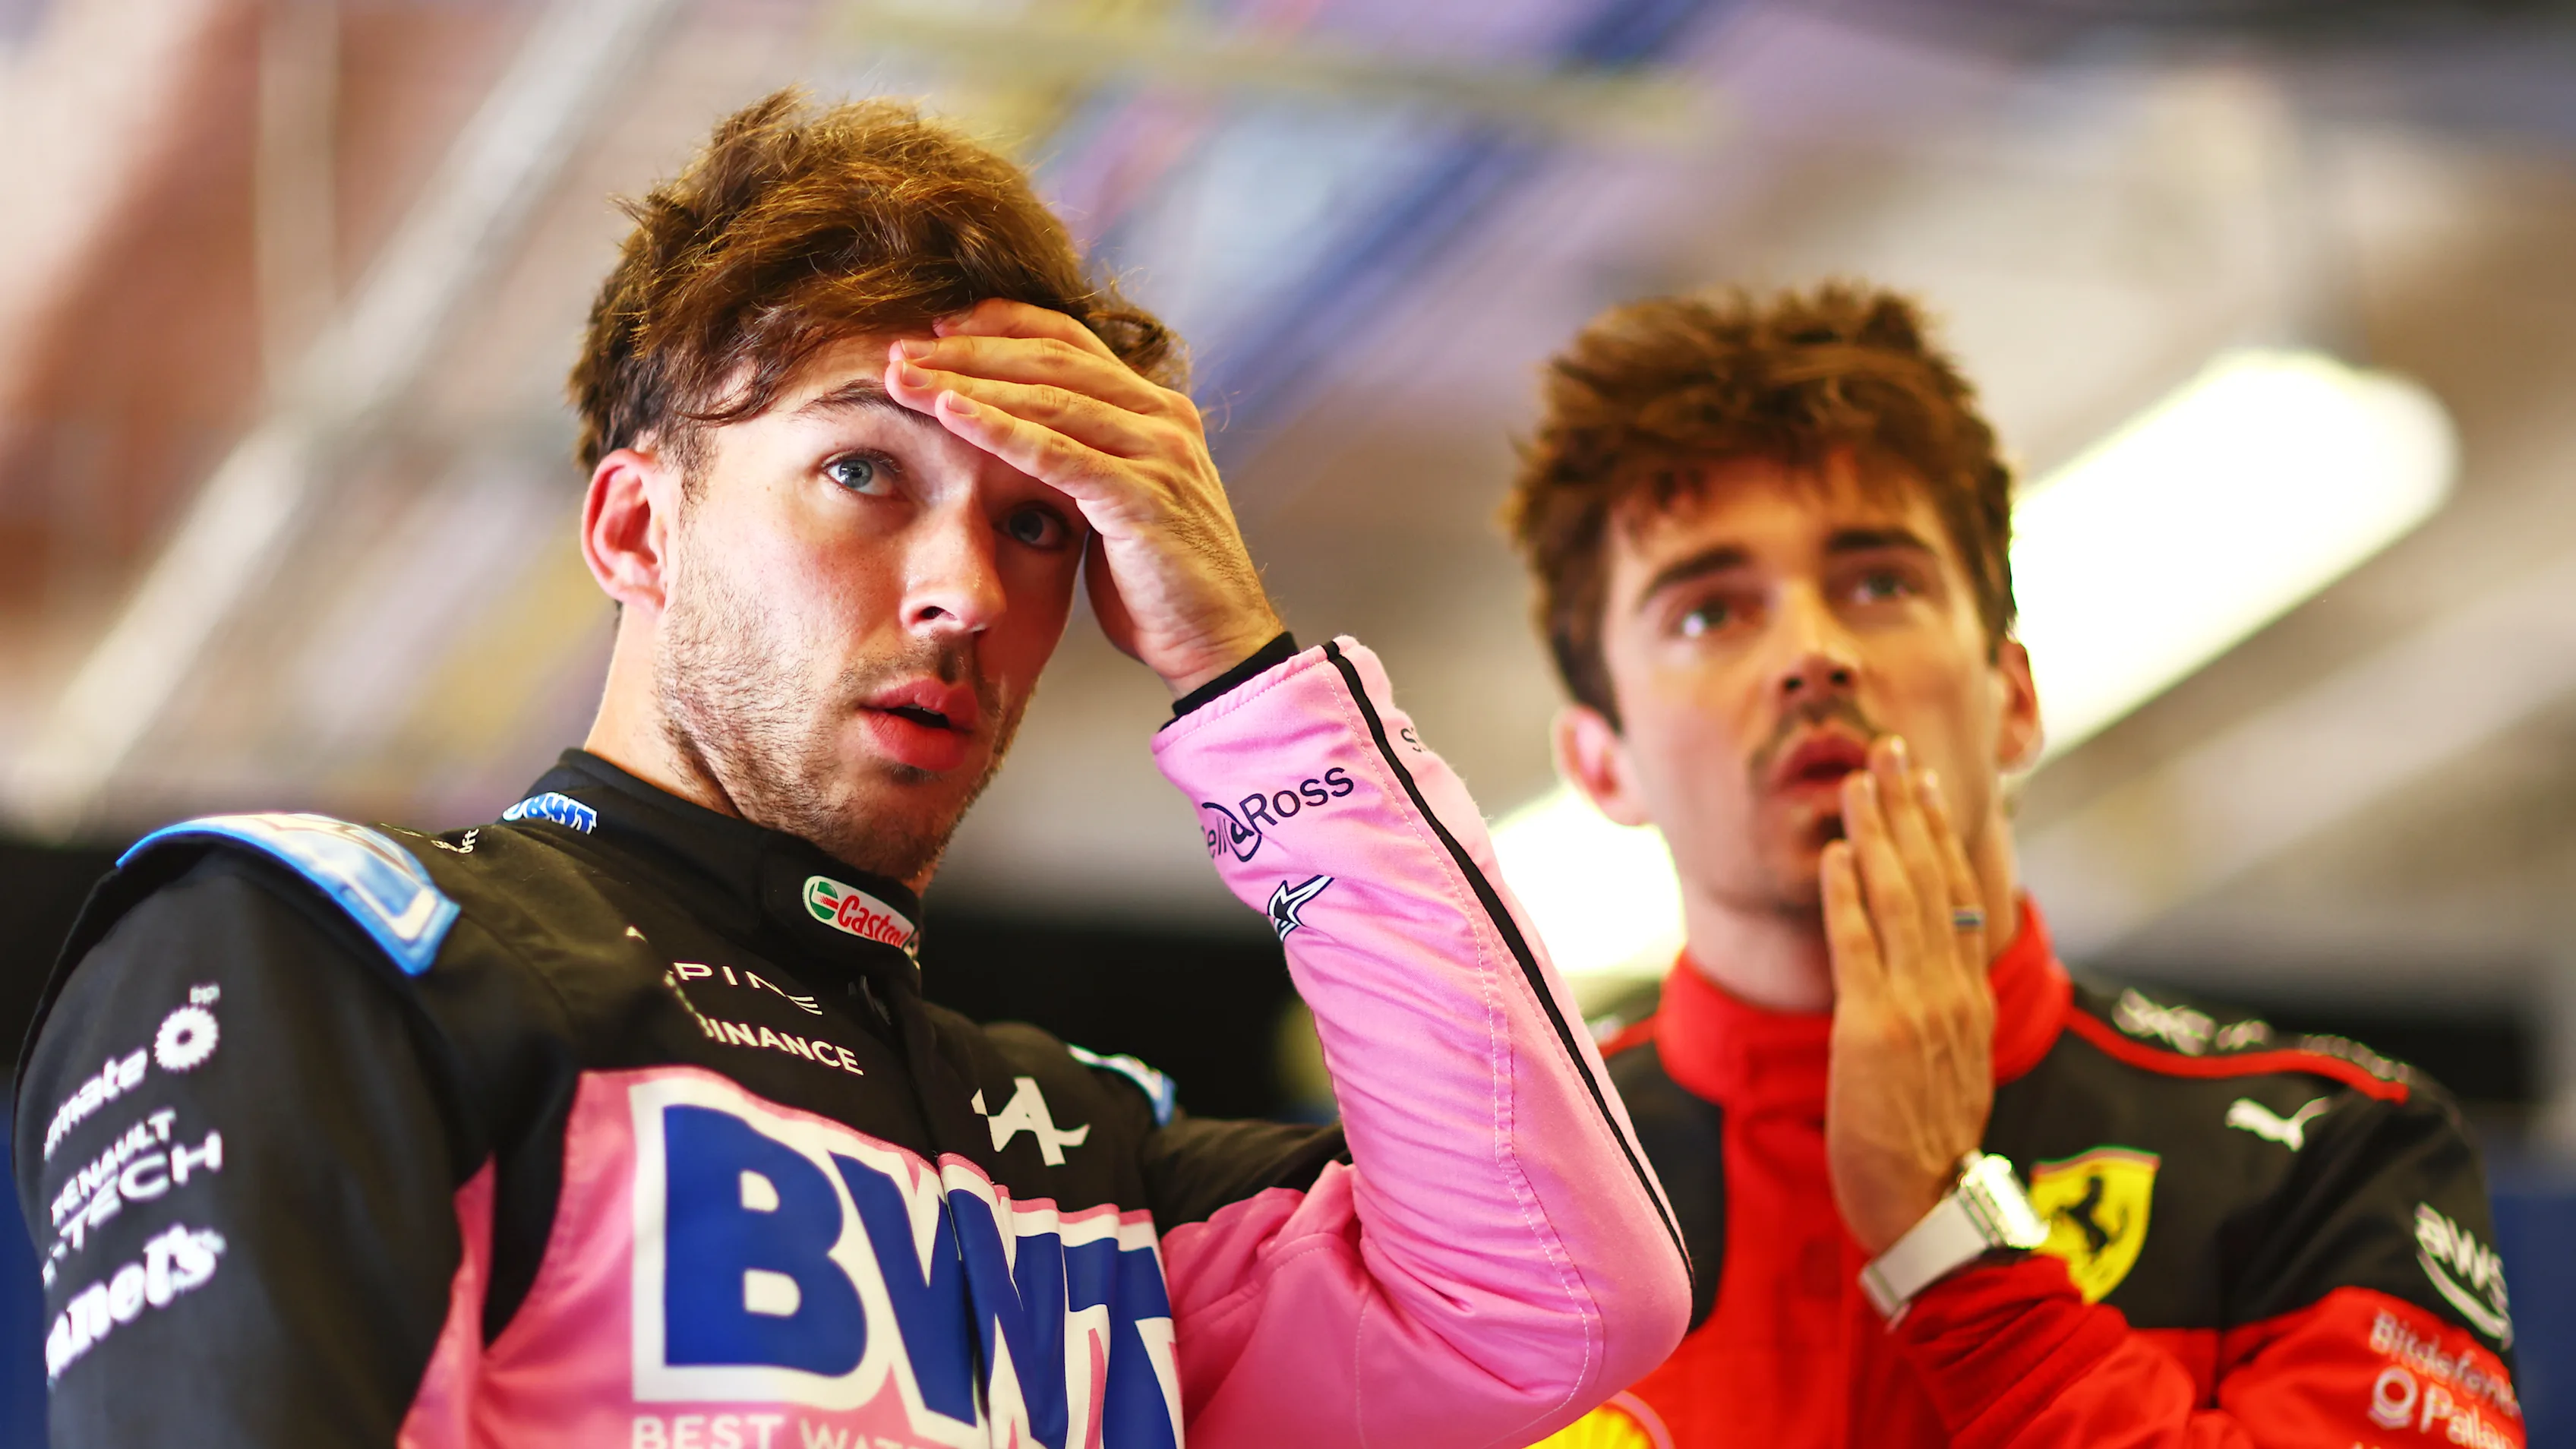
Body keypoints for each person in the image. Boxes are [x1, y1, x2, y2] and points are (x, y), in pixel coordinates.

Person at [11, 92, 1687, 1448]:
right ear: (635, 525)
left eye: (1037, 521)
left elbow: (1555, 1299)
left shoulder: (1091, 1166)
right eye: (861, 472)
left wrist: (1242, 666)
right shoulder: (325, 958)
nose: (966, 588)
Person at [1506, 285, 2521, 1447]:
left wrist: (1950, 1239)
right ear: (1600, 764)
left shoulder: (2329, 1157)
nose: (1813, 655)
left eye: (1879, 582)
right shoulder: (1479, 1211)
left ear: (2016, 697)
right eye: (1708, 612)